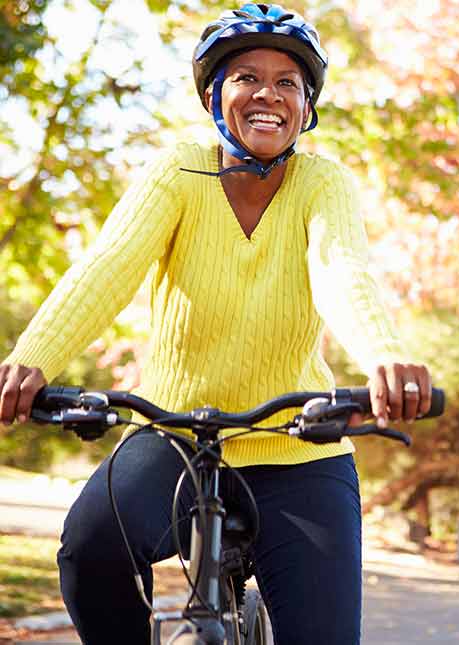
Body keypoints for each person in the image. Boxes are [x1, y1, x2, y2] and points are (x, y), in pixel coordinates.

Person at [0, 4, 431, 643]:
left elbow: (342, 271)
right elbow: (109, 265)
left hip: (297, 446)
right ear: (213, 96)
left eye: (289, 83)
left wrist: (384, 355)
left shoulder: (322, 182)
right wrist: (32, 358)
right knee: (89, 551)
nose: (268, 94)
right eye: (246, 77)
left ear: (307, 108)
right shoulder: (178, 170)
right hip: (172, 434)